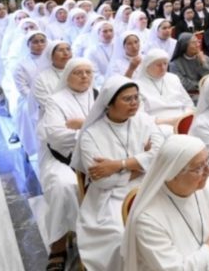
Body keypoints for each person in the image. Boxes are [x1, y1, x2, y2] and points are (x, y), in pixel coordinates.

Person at [71, 76, 164, 271]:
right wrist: (142, 162)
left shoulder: (144, 120)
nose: (134, 103)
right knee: (121, 237)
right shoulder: (90, 135)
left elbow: (160, 155)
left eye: (136, 97)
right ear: (109, 103)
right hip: (109, 198)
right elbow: (104, 182)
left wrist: (118, 164)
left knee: (166, 226)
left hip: (147, 186)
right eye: (127, 99)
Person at [121, 134, 209, 271]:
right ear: (173, 173)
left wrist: (199, 263)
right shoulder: (147, 218)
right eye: (198, 168)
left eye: (208, 162)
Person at [38, 58, 94, 271]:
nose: (84, 77)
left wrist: (80, 126)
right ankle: (58, 246)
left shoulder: (98, 96)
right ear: (67, 76)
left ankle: (97, 239)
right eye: (78, 72)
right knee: (64, 186)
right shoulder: (55, 101)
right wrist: (91, 128)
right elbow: (57, 137)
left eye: (88, 72)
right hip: (63, 159)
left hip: (96, 155)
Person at [136, 49, 195, 136]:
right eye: (158, 65)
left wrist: (185, 118)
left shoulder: (173, 78)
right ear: (147, 66)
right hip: (158, 125)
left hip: (183, 120)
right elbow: (140, 116)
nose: (163, 68)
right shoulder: (137, 85)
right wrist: (170, 122)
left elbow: (188, 103)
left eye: (165, 64)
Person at [85, 21, 115, 89]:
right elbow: (94, 73)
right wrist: (110, 82)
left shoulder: (119, 47)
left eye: (111, 30)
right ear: (98, 33)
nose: (109, 34)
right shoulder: (91, 51)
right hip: (101, 84)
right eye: (105, 31)